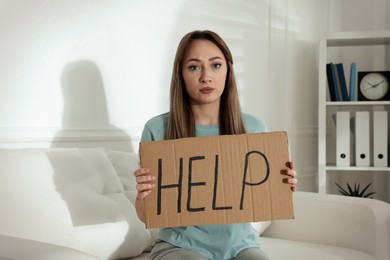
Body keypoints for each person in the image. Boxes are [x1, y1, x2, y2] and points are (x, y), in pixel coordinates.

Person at [134, 30, 297, 260]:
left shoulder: (254, 128)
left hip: (241, 247)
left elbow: (266, 196)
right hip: (179, 247)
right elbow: (145, 216)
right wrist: (143, 194)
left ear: (228, 71)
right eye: (194, 67)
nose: (206, 76)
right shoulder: (158, 129)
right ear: (180, 74)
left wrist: (283, 184)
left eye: (215, 65)